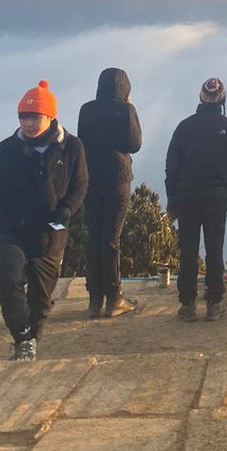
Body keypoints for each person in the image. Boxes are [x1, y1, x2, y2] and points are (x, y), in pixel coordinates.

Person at [0, 80, 88, 361]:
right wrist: (7, 216)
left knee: (41, 295)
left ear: (50, 117)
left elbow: (80, 185)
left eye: (33, 117)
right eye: (23, 117)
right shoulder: (5, 150)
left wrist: (67, 211)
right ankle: (22, 338)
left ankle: (33, 336)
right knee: (8, 280)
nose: (27, 123)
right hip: (10, 230)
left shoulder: (71, 148)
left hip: (51, 231)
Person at [165, 78, 227, 322]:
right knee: (214, 249)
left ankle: (187, 305)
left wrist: (172, 200)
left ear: (200, 98)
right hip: (216, 197)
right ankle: (214, 303)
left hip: (187, 197)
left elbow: (172, 166)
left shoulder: (184, 127)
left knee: (188, 250)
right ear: (222, 99)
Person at [77, 68, 142, 319]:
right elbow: (134, 145)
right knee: (111, 239)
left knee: (94, 237)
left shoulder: (86, 109)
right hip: (117, 179)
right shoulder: (126, 110)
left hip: (91, 179)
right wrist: (129, 111)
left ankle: (95, 299)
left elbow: (82, 139)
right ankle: (114, 299)